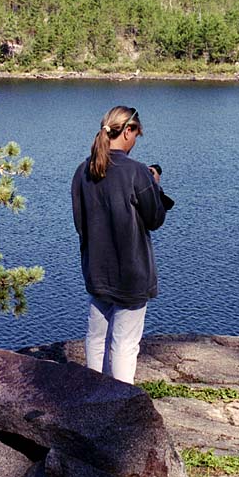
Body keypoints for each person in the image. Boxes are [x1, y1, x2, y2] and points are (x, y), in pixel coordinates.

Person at [70, 105, 168, 384]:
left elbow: (80, 224)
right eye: (137, 134)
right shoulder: (137, 172)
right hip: (132, 276)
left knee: (96, 337)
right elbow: (155, 219)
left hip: (96, 271)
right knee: (125, 344)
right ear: (127, 131)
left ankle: (91, 400)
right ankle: (120, 409)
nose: (136, 141)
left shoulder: (82, 171)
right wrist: (155, 185)